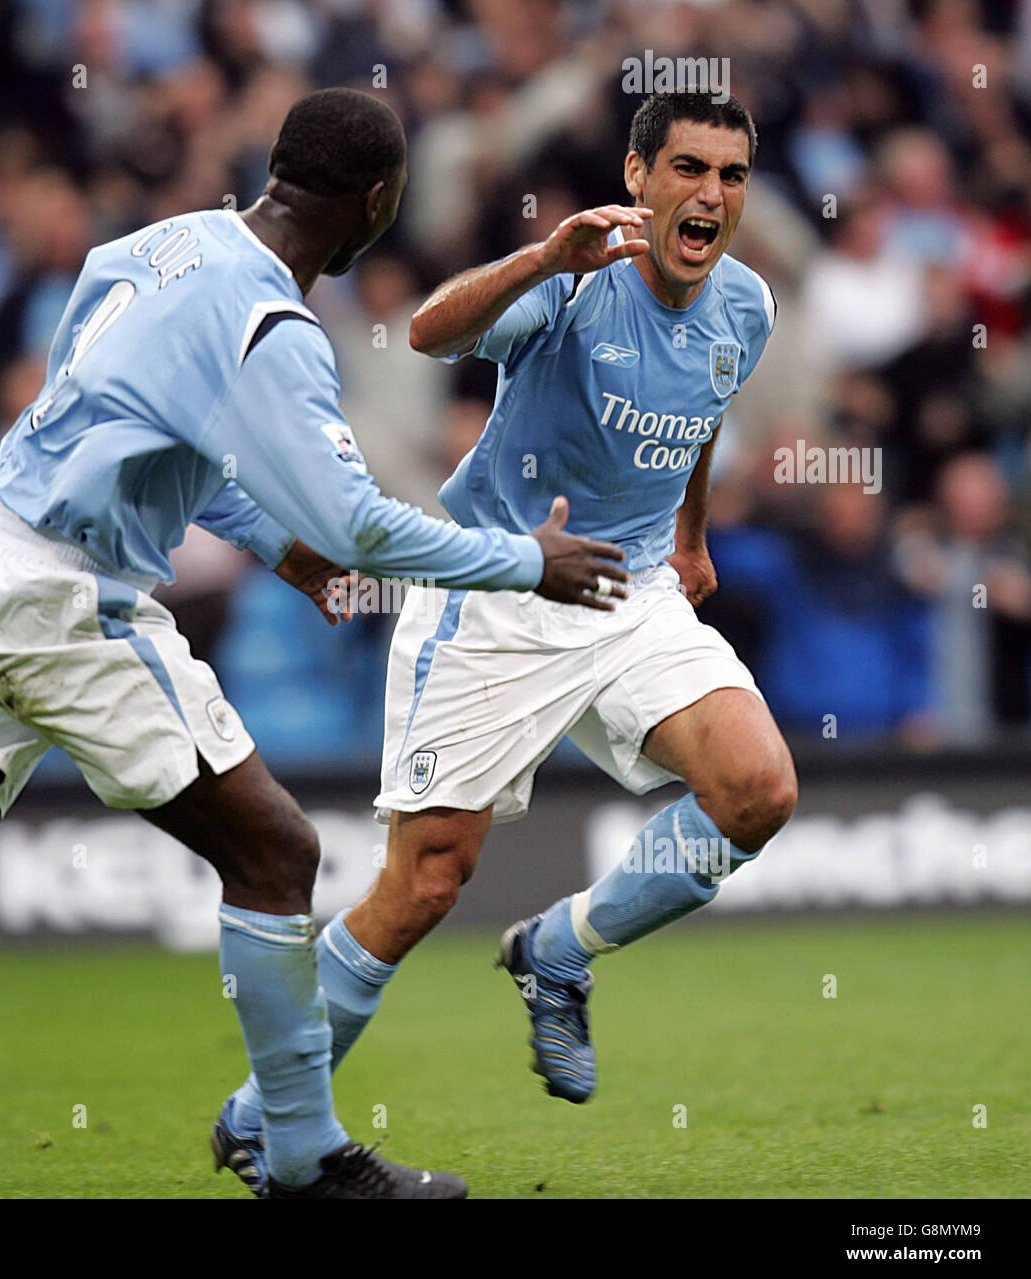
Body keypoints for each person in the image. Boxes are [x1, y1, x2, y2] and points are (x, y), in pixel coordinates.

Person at [0, 89, 624, 1201]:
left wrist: (267, 543)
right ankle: (299, 1159)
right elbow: (358, 525)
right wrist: (525, 560)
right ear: (379, 202)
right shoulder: (274, 330)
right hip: (65, 599)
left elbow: (130, 417)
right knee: (276, 853)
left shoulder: (155, 244)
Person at [219, 91, 798, 1193]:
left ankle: (559, 951)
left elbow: (707, 404)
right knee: (427, 881)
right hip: (495, 582)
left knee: (757, 790)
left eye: (729, 175)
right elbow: (431, 330)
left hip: (626, 591)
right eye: (687, 168)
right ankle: (264, 1115)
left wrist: (690, 531)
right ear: (638, 176)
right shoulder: (577, 284)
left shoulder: (746, 307)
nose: (709, 195)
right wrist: (544, 256)